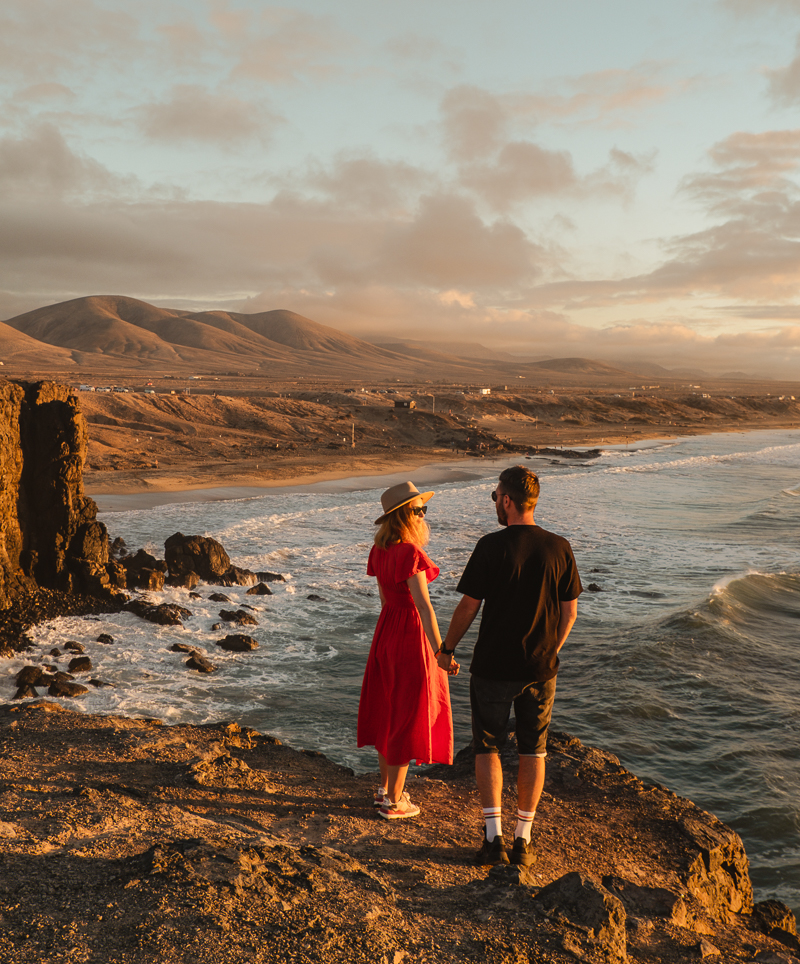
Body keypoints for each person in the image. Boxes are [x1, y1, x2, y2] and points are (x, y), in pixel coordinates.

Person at [437, 465, 581, 866]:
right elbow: (570, 613)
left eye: (495, 496)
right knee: (534, 751)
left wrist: (446, 648)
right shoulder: (559, 547)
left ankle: (493, 838)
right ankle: (524, 840)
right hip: (540, 668)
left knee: (488, 747)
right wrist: (549, 649)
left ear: (508, 500)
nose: (494, 503)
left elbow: (469, 605)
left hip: (493, 667)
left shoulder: (491, 546)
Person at [357, 481, 459, 820]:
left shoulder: (380, 551)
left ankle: (387, 789)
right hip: (409, 635)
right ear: (405, 516)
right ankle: (394, 801)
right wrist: (442, 650)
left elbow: (385, 600)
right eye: (419, 510)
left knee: (387, 710)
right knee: (406, 712)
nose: (423, 515)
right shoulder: (411, 554)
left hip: (386, 630)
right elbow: (425, 608)